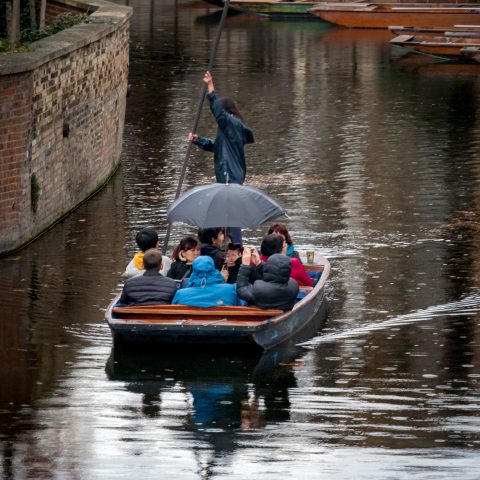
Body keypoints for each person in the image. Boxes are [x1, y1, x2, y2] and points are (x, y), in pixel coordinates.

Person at [189, 71, 254, 245]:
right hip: (227, 176)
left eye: (221, 114)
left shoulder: (232, 123)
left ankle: (235, 248)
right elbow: (216, 147)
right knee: (225, 215)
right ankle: (223, 247)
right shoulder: (228, 129)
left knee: (230, 217)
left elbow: (218, 112)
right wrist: (198, 141)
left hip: (230, 177)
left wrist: (210, 87)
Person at [172, 256, 242, 308]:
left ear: (194, 271)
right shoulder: (231, 289)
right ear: (213, 269)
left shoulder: (180, 294)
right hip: (224, 326)